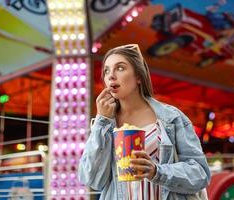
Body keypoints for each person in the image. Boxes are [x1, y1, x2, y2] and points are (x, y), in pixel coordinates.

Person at [78, 44, 211, 200]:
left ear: (138, 77)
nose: (111, 76)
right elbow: (90, 179)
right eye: (106, 71)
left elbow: (200, 173)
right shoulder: (105, 123)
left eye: (120, 68)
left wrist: (157, 171)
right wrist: (102, 120)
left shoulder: (171, 118)